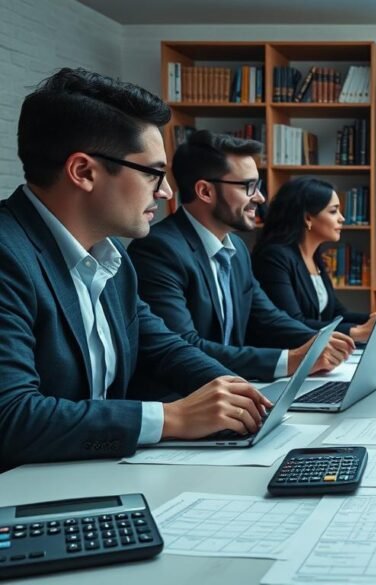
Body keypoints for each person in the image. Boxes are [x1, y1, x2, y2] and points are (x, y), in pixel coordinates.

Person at [0, 68, 272, 470]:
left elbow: (163, 347)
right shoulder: (9, 255)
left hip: (90, 475)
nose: (165, 192)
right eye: (153, 174)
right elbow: (12, 417)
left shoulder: (113, 257)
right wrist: (173, 418)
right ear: (84, 172)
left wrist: (243, 398)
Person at [128, 131, 354, 381]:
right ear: (205, 191)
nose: (260, 197)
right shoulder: (159, 250)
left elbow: (268, 318)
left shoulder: (236, 248)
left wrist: (321, 342)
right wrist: (289, 360)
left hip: (237, 390)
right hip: (183, 401)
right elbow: (185, 346)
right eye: (249, 186)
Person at [252, 177, 376, 342]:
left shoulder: (314, 256)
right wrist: (356, 332)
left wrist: (374, 320)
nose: (342, 218)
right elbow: (293, 323)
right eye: (333, 211)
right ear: (307, 218)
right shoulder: (273, 257)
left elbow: (335, 313)